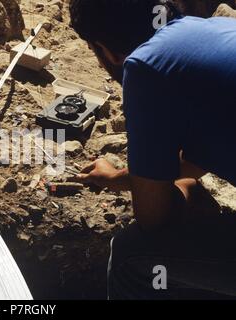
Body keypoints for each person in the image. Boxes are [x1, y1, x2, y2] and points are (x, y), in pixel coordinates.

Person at [69, 0, 236, 299]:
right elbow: (207, 149)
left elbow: (153, 220)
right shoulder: (218, 30)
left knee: (130, 257)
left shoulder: (145, 66)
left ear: (103, 50)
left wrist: (179, 191)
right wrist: (122, 178)